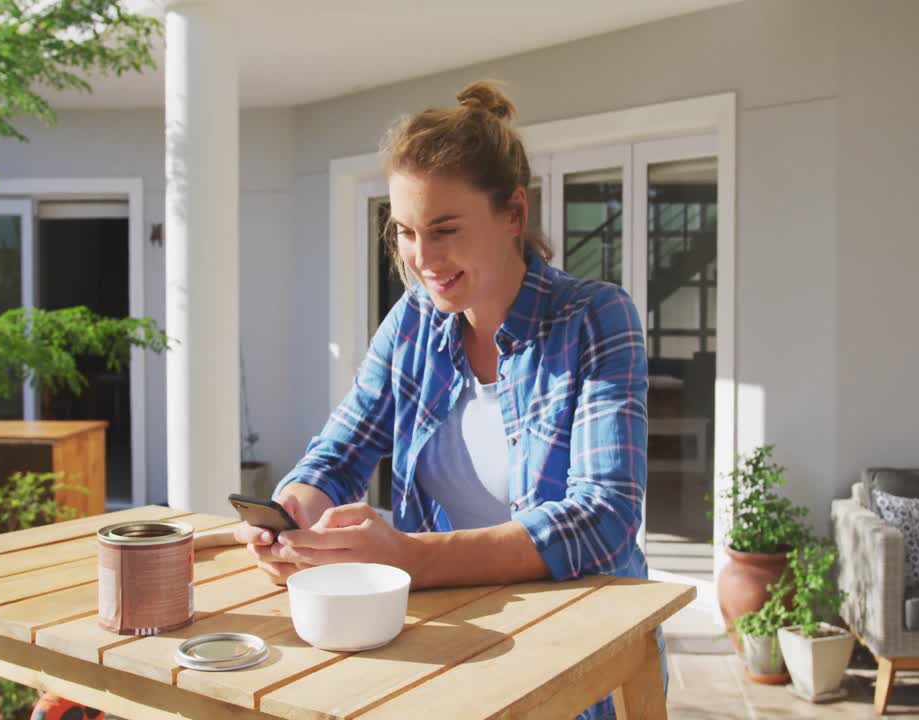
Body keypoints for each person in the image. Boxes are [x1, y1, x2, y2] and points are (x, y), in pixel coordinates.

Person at [232, 80, 657, 718]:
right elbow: (340, 450)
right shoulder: (414, 321)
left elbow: (604, 516)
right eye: (404, 231)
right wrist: (291, 516)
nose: (422, 258)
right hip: (453, 651)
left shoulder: (594, 319)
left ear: (513, 214)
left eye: (445, 229)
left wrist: (410, 558)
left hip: (579, 664)